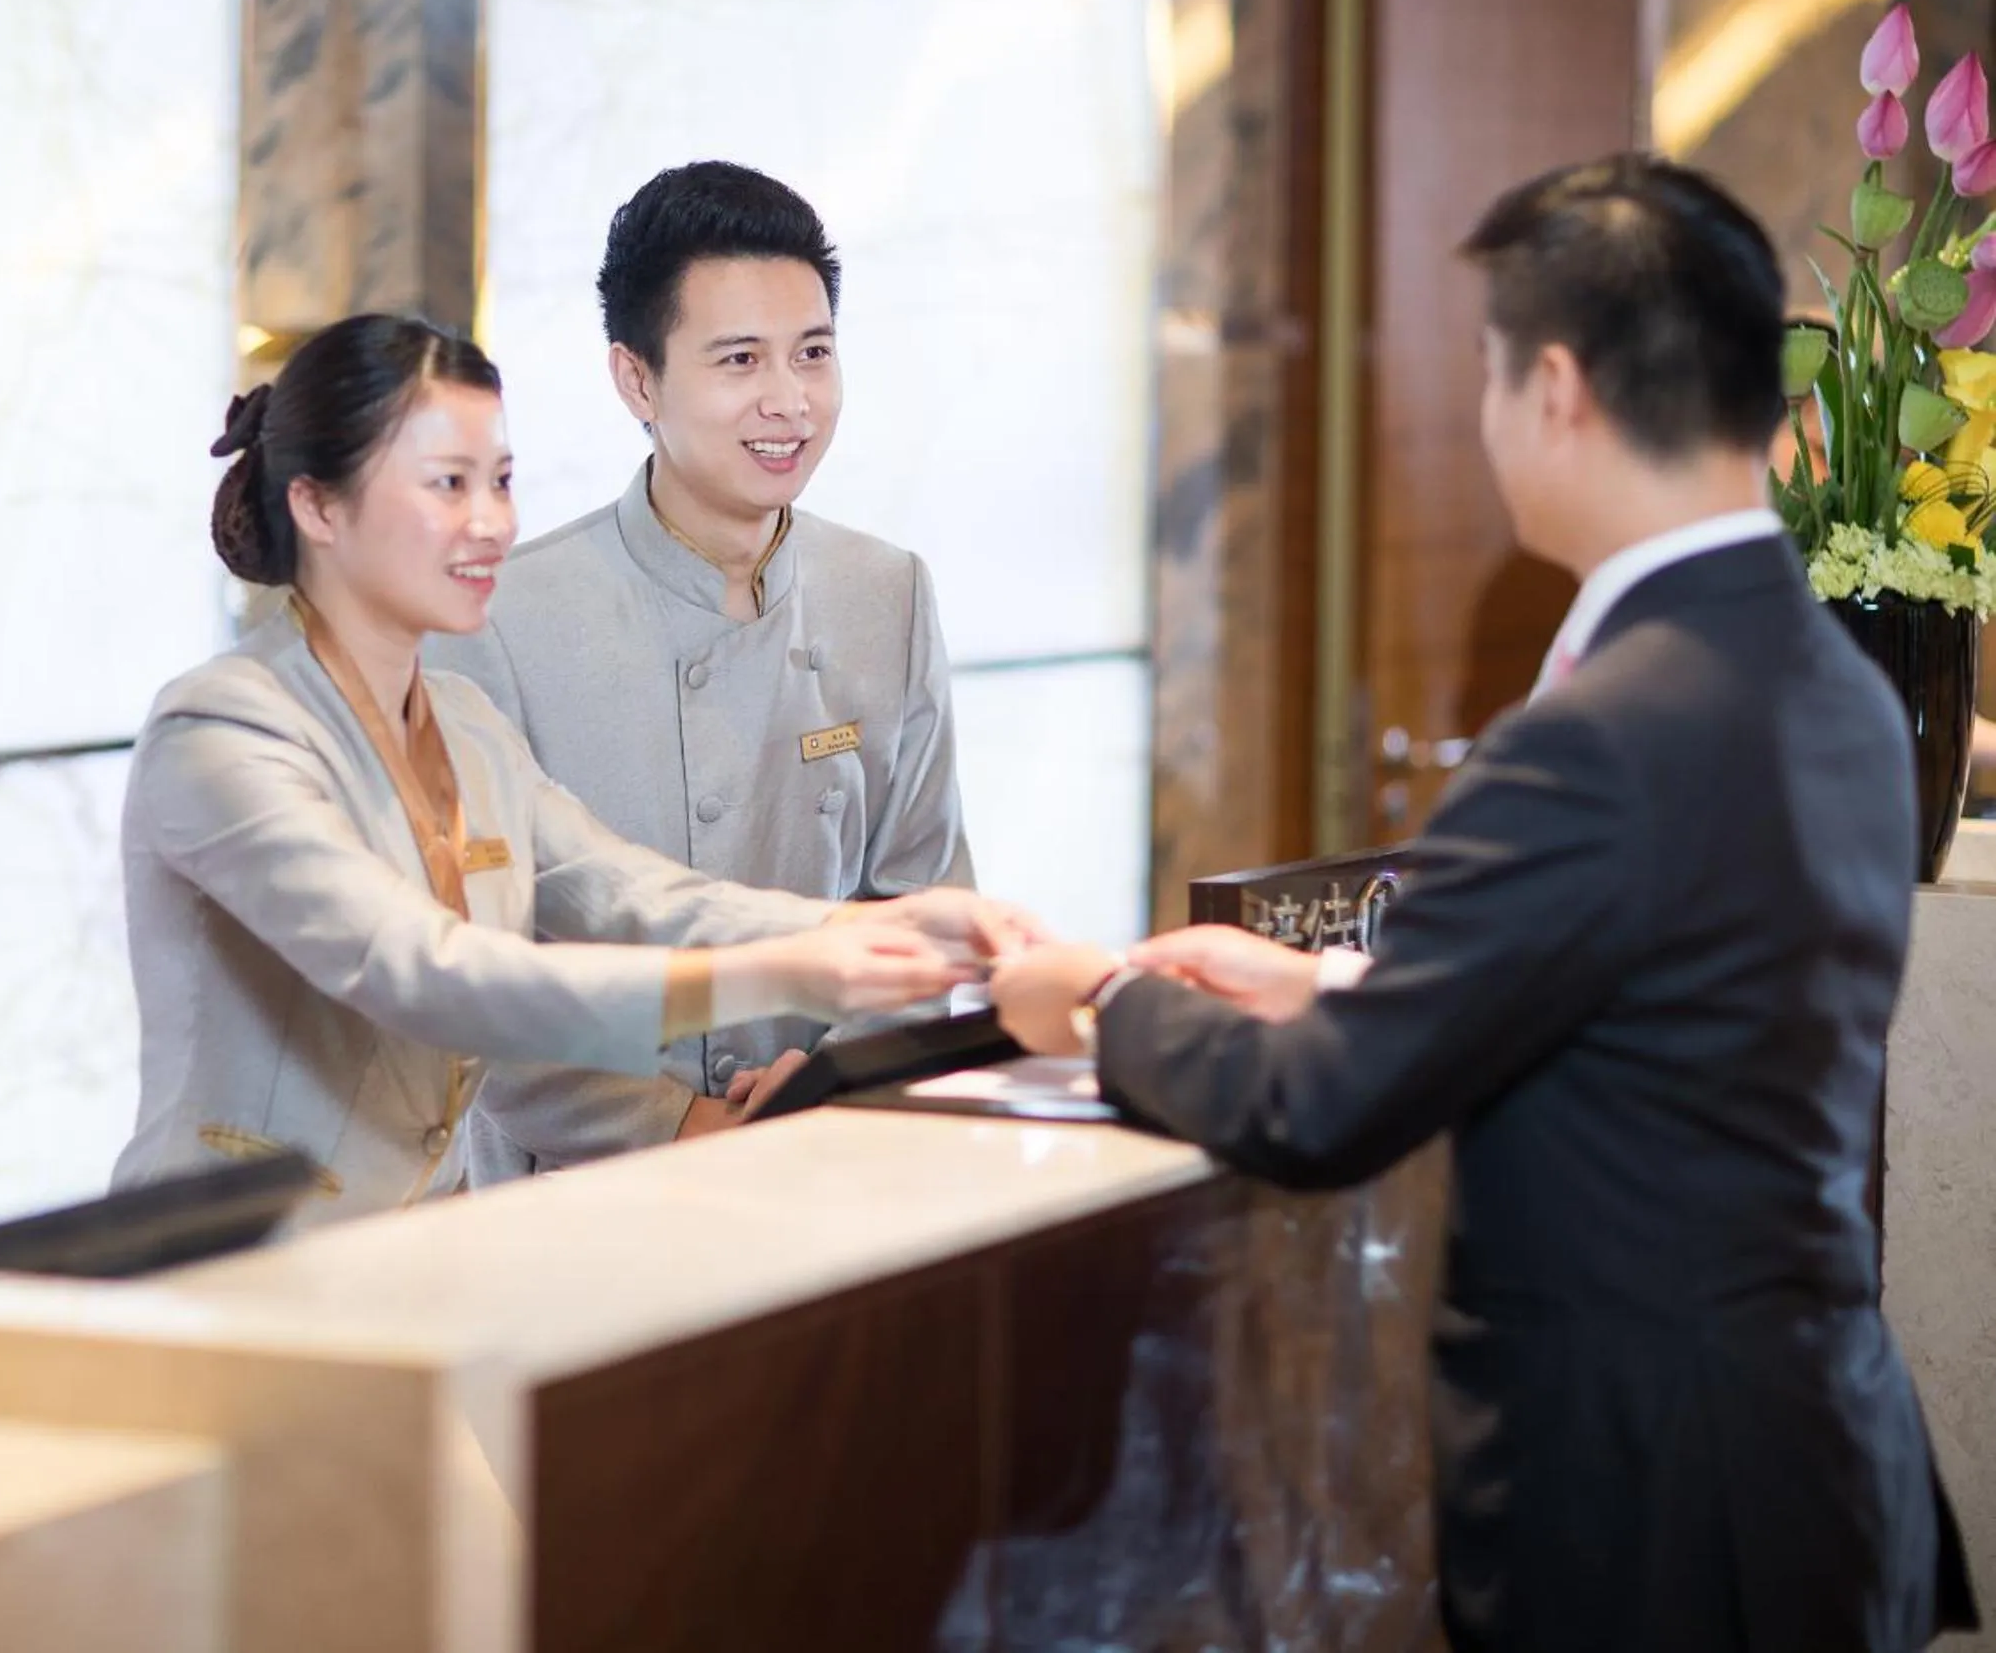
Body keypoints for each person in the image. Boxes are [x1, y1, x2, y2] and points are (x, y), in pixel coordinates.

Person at [985, 156, 1977, 1651]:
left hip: (1655, 1502)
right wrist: (1328, 979)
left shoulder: (1603, 727)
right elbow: (1655, 977)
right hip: (1813, 1450)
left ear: (1559, 388)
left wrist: (1100, 997)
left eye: (1489, 372)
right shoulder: (1837, 678)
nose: (1486, 415)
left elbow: (1319, 1112)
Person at [111, 312, 1026, 1228]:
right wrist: (791, 970)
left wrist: (871, 926)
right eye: (445, 485)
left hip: (417, 1251)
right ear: (317, 507)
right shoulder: (223, 728)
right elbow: (433, 977)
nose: (489, 525)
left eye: (499, 482)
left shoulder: (462, 724)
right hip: (226, 1260)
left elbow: (633, 891)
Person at [428, 162, 974, 1180]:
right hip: (578, 1194)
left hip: (826, 1158)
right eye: (738, 360)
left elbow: (919, 900)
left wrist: (830, 1085)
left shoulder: (884, 591)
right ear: (636, 378)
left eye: (812, 354)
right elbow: (472, 978)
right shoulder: (498, 620)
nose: (788, 401)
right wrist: (676, 1122)